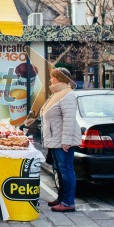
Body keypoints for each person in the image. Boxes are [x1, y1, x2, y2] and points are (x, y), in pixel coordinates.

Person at [39, 67, 81, 212]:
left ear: (59, 78)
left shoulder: (67, 95)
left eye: (52, 77)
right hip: (55, 139)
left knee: (66, 170)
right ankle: (62, 198)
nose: (50, 80)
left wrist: (66, 141)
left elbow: (69, 119)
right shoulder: (57, 93)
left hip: (63, 141)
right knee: (58, 170)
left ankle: (68, 203)